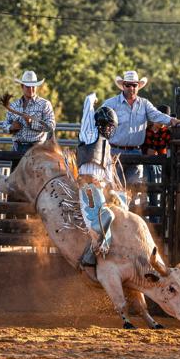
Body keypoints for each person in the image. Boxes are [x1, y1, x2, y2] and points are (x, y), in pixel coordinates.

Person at [102, 70, 180, 184]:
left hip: (136, 152)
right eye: (128, 85)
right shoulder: (111, 103)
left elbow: (156, 115)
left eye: (134, 85)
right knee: (113, 187)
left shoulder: (144, 104)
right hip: (114, 151)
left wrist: (172, 120)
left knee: (135, 187)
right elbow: (99, 121)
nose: (131, 88)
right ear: (123, 86)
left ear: (138, 86)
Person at [77, 93, 126, 267]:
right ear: (99, 124)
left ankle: (107, 249)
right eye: (106, 125)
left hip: (97, 188)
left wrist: (115, 192)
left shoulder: (107, 146)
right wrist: (91, 99)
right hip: (87, 187)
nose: (108, 129)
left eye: (110, 126)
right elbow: (87, 112)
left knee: (119, 209)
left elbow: (109, 176)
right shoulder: (89, 134)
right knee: (106, 216)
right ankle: (91, 253)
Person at [1, 70, 56, 171]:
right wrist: (11, 128)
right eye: (28, 86)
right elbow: (4, 127)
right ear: (22, 87)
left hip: (37, 149)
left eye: (33, 86)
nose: (31, 89)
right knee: (14, 183)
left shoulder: (44, 104)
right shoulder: (14, 105)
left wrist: (32, 123)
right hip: (17, 148)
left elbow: (51, 126)